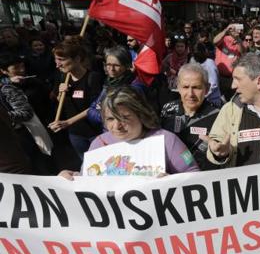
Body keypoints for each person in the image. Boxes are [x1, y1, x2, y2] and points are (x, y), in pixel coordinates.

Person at [59, 86, 199, 178]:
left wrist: (172, 181)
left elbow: (194, 176)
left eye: (124, 118)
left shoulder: (167, 140)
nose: (117, 126)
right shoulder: (99, 143)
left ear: (141, 114)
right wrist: (72, 178)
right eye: (110, 119)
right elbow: (87, 179)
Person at [48, 39, 103, 159]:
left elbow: (96, 107)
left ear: (77, 59)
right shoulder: (63, 77)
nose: (57, 64)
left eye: (61, 60)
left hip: (94, 133)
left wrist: (68, 122)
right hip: (75, 134)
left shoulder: (93, 78)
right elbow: (63, 103)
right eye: (56, 60)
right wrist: (60, 95)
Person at [161, 64, 220, 171]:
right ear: (178, 87)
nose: (190, 94)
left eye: (196, 87)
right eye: (185, 87)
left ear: (207, 89)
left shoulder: (218, 116)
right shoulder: (168, 109)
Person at [88, 46, 141, 129]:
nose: (111, 69)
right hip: (108, 132)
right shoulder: (108, 83)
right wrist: (106, 116)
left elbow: (124, 116)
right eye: (108, 64)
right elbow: (91, 110)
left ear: (126, 65)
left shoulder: (133, 87)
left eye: (116, 65)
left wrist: (105, 114)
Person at [190, 42, 222, 107]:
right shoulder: (193, 61)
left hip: (211, 100)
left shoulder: (209, 63)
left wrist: (202, 96)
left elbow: (214, 84)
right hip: (198, 100)